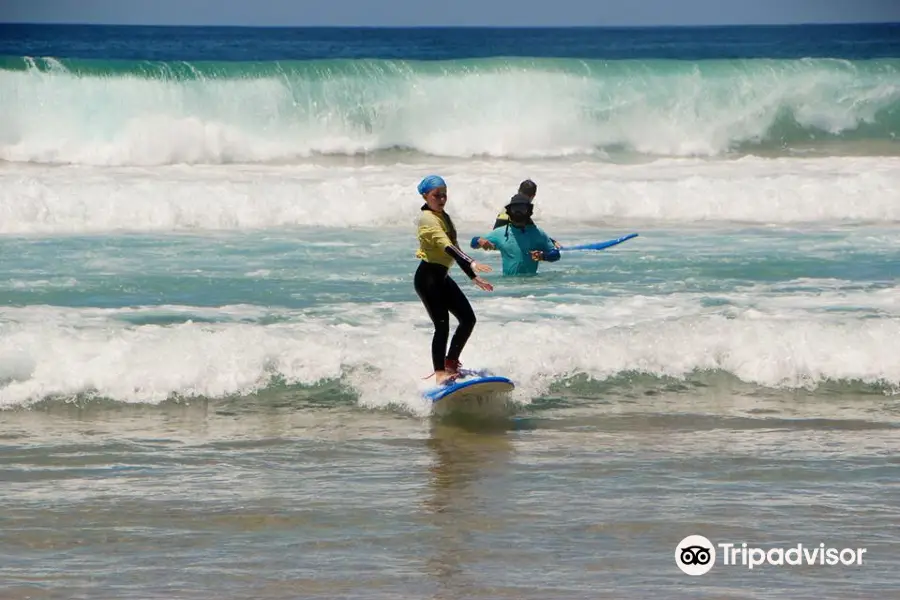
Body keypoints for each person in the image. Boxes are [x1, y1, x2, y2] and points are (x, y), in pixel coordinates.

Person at [414, 175, 494, 385]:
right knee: (442, 326)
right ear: (425, 196)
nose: (441, 199)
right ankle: (440, 372)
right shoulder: (427, 219)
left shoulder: (444, 217)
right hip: (428, 278)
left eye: (444, 195)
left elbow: (455, 249)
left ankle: (451, 362)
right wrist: (473, 261)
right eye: (436, 196)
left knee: (468, 319)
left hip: (442, 277)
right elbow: (446, 246)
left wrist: (472, 275)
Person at [470, 193, 561, 276]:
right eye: (515, 209)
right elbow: (473, 244)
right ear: (509, 211)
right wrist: (479, 240)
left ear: (528, 211)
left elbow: (556, 254)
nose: (518, 213)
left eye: (522, 209)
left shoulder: (537, 233)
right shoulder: (500, 233)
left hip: (531, 287)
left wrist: (543, 256)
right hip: (509, 286)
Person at [492, 179, 561, 248]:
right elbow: (534, 232)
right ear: (533, 196)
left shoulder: (510, 206)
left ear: (518, 191)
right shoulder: (522, 210)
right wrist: (552, 242)